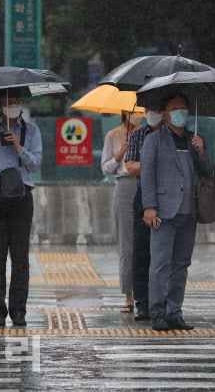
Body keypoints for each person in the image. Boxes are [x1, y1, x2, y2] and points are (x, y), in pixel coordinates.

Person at [140, 95, 213, 331]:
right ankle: (157, 313)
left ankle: (175, 313)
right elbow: (147, 174)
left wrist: (201, 153)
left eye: (183, 107)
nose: (180, 111)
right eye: (175, 108)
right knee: (160, 264)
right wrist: (149, 206)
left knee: (181, 265)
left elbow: (209, 172)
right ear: (165, 114)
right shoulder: (154, 140)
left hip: (189, 212)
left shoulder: (196, 139)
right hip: (164, 212)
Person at [0, 94, 42, 327]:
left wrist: (19, 147)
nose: (12, 106)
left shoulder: (31, 130)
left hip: (22, 198)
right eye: (7, 101)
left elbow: (35, 164)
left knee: (20, 258)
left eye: (16, 101)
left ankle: (18, 310)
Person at [125, 108, 165, 321]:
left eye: (156, 109)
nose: (152, 113)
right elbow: (130, 167)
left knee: (164, 253)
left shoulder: (172, 134)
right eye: (148, 109)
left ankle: (163, 302)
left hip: (168, 198)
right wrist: (155, 164)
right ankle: (142, 303)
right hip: (143, 196)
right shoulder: (137, 135)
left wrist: (146, 165)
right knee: (141, 252)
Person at [101, 111, 142, 314]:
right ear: (125, 113)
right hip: (124, 186)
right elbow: (106, 168)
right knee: (126, 243)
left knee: (148, 242)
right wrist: (120, 154)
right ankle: (129, 296)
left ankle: (148, 294)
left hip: (145, 186)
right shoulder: (113, 135)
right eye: (135, 111)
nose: (139, 115)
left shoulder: (148, 134)